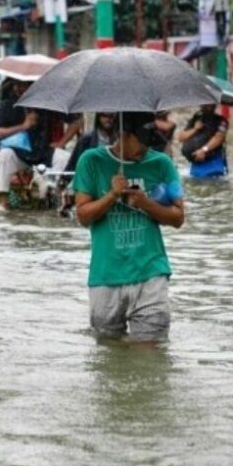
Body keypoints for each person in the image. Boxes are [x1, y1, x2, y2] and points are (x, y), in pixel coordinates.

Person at [73, 112, 184, 344]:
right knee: (110, 360)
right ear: (123, 134)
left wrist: (145, 203)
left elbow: (178, 217)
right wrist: (112, 195)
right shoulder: (90, 161)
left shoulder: (161, 164)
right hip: (106, 276)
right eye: (141, 140)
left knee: (149, 362)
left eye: (149, 141)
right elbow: (82, 216)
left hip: (150, 273)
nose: (145, 148)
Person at [0, 79, 72, 205]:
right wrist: (24, 126)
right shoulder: (7, 105)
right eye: (17, 84)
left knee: (65, 158)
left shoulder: (47, 105)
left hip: (43, 152)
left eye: (23, 85)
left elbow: (77, 122)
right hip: (18, 154)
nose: (18, 88)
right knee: (4, 155)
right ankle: (2, 201)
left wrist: (61, 142)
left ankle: (56, 195)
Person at [177, 104, 228, 178]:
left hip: (213, 163)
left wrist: (203, 150)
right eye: (204, 105)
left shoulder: (221, 121)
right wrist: (195, 129)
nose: (206, 107)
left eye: (209, 105)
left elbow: (219, 138)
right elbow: (181, 138)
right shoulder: (196, 119)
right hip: (196, 164)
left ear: (214, 106)